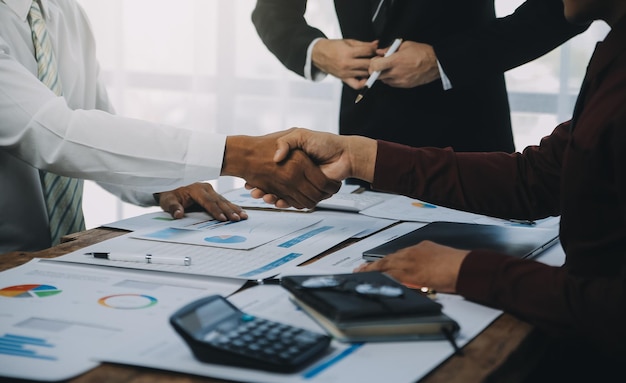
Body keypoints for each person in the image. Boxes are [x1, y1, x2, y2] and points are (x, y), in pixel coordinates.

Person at [258, 1, 626, 377]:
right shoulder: (614, 58)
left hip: (465, 112)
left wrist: (468, 271)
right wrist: (359, 155)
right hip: (375, 126)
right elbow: (537, 177)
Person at [0, 0, 339, 253]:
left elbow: (95, 133)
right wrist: (240, 154)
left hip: (49, 265)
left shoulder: (63, 12)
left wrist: (163, 186)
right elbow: (55, 135)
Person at [252, 0, 588, 154]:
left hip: (467, 141)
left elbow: (558, 10)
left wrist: (442, 60)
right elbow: (271, 10)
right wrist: (318, 50)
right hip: (361, 140)